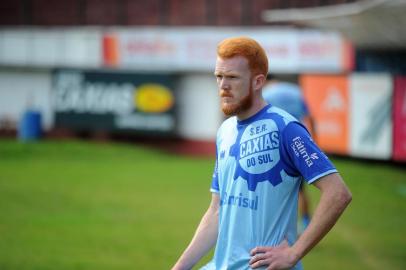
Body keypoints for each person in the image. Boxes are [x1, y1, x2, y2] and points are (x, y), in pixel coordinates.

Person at [172, 37, 352, 270]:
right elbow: (217, 210)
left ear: (258, 82)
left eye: (233, 77)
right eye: (219, 76)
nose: (223, 85)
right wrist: (180, 267)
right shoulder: (225, 131)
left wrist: (293, 253)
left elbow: (338, 193)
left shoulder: (286, 128)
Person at [262, 76, 315, 232]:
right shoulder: (296, 92)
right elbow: (310, 117)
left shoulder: (267, 93)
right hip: (297, 144)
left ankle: (277, 227)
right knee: (300, 190)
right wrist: (313, 142)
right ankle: (305, 224)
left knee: (272, 188)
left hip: (274, 147)